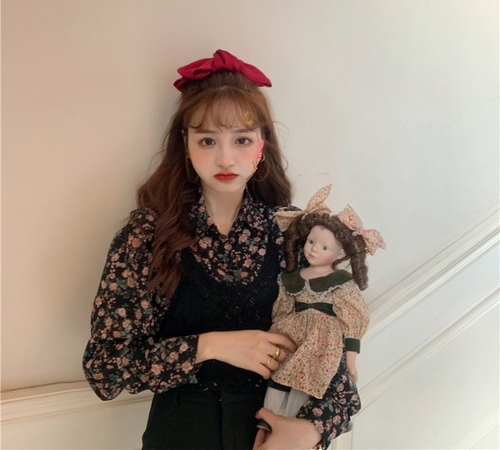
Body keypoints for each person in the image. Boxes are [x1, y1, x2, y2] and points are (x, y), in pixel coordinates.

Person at [82, 49, 362, 450]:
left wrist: (313, 430)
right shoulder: (147, 234)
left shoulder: (292, 233)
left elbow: (335, 358)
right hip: (179, 436)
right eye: (208, 140)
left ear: (262, 145)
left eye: (242, 140)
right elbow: (104, 369)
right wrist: (213, 345)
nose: (225, 158)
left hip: (272, 431)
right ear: (185, 144)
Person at [257, 186, 385, 429]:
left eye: (324, 247)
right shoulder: (292, 278)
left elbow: (353, 318)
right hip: (293, 334)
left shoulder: (340, 281)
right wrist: (276, 334)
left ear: (339, 253)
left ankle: (293, 421)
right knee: (282, 372)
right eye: (311, 242)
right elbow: (282, 309)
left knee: (307, 377)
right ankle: (270, 416)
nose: (314, 249)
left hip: (322, 339)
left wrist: (351, 359)